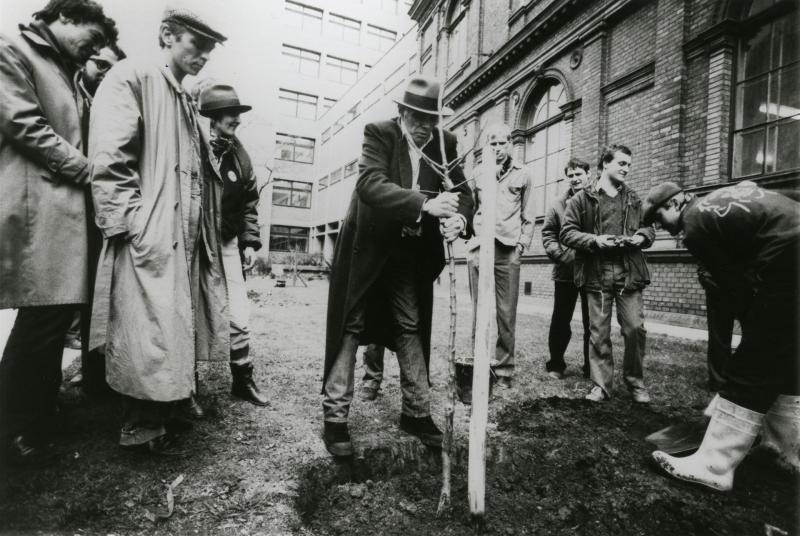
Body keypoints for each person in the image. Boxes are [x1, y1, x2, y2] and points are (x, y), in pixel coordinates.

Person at [88, 7, 229, 454]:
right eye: (196, 45)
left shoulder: (182, 96)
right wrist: (129, 223)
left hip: (181, 235)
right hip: (148, 232)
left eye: (209, 50)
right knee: (142, 327)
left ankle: (170, 407)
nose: (203, 56)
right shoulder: (133, 76)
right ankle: (140, 426)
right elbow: (110, 159)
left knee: (171, 323)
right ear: (167, 35)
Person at [322, 76, 473, 456]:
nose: (425, 128)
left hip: (408, 254)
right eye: (417, 119)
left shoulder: (445, 144)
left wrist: (460, 219)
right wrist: (425, 204)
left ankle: (417, 413)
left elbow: (464, 193)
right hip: (368, 248)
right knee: (351, 325)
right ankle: (335, 419)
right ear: (402, 113)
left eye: (431, 120)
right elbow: (369, 185)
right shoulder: (379, 134)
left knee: (410, 325)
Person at [0, 0, 116, 459]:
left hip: (59, 208)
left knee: (50, 317)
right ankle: (13, 429)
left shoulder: (61, 64)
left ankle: (36, 413)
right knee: (41, 319)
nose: (93, 50)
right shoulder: (12, 49)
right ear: (65, 17)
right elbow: (23, 124)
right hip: (39, 206)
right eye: (91, 39)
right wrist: (87, 170)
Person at [643, 181, 799, 490]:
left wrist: (753, 335)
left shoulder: (695, 225)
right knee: (785, 360)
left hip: (790, 260)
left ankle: (713, 466)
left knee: (753, 363)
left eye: (659, 218)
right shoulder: (722, 198)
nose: (662, 228)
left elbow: (733, 288)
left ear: (675, 203)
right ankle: (786, 452)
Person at [560, 144, 654, 403]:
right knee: (599, 332)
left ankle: (635, 383)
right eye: (622, 163)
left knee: (635, 328)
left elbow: (649, 229)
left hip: (628, 273)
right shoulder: (582, 198)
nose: (626, 168)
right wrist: (594, 240)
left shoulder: (634, 198)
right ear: (605, 164)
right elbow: (566, 232)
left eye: (628, 165)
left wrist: (640, 237)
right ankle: (601, 385)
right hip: (596, 273)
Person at [198, 82, 267, 407]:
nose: (236, 120)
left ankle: (242, 379)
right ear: (212, 116)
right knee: (191, 314)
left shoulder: (240, 153)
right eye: (230, 114)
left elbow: (250, 201)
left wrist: (250, 242)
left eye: (238, 114)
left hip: (228, 244)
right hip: (195, 244)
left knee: (239, 312)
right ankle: (186, 389)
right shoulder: (194, 145)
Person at [65, 42, 126, 397]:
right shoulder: (71, 97)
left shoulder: (111, 104)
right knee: (55, 311)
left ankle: (96, 380)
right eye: (99, 65)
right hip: (66, 214)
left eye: (110, 69)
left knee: (98, 299)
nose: (104, 74)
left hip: (97, 217)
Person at [465, 123, 535, 389]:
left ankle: (504, 368)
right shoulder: (478, 173)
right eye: (492, 143)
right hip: (480, 248)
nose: (497, 148)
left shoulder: (524, 174)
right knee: (479, 311)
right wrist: (471, 241)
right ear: (487, 146)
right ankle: (477, 364)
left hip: (508, 250)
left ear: (510, 144)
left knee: (506, 313)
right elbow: (469, 207)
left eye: (502, 143)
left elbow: (528, 215)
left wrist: (521, 246)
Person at [541, 158, 591, 380]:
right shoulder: (557, 204)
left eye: (579, 174)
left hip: (592, 271)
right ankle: (556, 365)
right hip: (565, 271)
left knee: (594, 322)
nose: (575, 178)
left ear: (588, 174)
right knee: (561, 320)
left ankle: (592, 368)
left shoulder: (596, 201)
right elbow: (548, 234)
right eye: (571, 175)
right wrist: (563, 256)